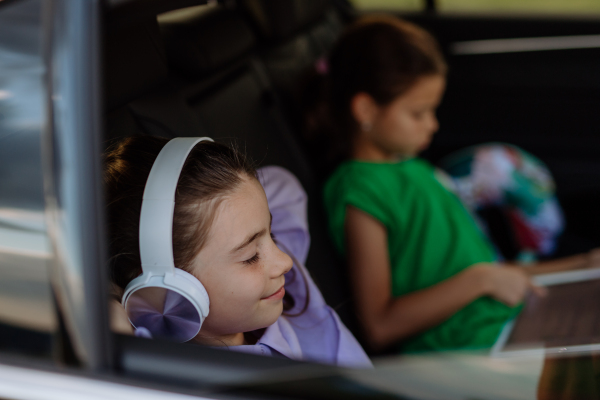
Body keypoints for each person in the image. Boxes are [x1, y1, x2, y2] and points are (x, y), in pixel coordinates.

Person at [304, 15, 599, 353]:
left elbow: (487, 271)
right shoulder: (360, 191)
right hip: (471, 348)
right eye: (418, 113)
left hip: (507, 320)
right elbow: (380, 325)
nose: (432, 125)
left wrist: (582, 265)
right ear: (366, 109)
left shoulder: (412, 169)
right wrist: (480, 280)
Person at [104, 135, 372, 368]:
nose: (285, 261)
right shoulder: (171, 376)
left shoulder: (290, 292)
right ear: (168, 291)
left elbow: (283, 185)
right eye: (251, 256)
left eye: (273, 233)